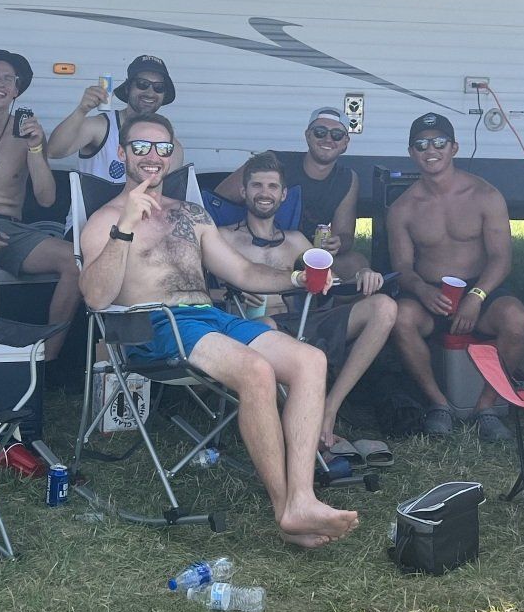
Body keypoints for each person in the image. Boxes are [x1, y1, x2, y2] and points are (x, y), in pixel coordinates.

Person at [77, 116, 359, 548]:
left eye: (163, 149)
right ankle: (286, 507)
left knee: (309, 360)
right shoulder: (105, 220)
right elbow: (96, 298)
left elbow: (243, 271)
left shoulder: (192, 214)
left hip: (210, 316)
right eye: (141, 147)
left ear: (173, 156)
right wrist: (126, 226)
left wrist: (297, 279)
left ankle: (302, 497)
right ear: (122, 154)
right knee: (256, 371)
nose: (152, 157)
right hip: (155, 325)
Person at [217, 153, 396, 455]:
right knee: (266, 328)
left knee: (385, 307)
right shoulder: (223, 239)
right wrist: (226, 297)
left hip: (302, 323)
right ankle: (307, 433)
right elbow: (196, 292)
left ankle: (328, 410)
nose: (264, 193)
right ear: (243, 192)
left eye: (272, 186)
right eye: (257, 185)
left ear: (283, 195)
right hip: (257, 330)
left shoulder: (296, 240)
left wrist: (364, 273)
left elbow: (332, 277)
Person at [386, 113, 524, 443]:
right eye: (421, 144)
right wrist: (421, 290)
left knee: (516, 318)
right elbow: (403, 268)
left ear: (454, 148)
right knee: (400, 318)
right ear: (412, 153)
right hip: (432, 294)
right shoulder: (402, 208)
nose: (431, 150)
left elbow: (501, 258)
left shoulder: (485, 195)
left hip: (482, 287)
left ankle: (487, 407)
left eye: (439, 142)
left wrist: (476, 296)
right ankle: (440, 404)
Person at [0, 48, 80, 358]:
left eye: (8, 79)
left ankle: (47, 359)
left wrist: (37, 148)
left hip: (10, 228)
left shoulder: (26, 133)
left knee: (76, 262)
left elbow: (46, 198)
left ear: (16, 89)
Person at [212, 107, 367, 278]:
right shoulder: (273, 162)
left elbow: (344, 235)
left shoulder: (347, 179)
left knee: (356, 265)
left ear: (345, 143)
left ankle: (325, 304)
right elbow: (216, 202)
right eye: (320, 132)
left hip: (304, 252)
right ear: (308, 135)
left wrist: (337, 243)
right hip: (257, 245)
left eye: (336, 134)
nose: (328, 138)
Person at [47, 53, 182, 184]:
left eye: (159, 87)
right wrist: (81, 110)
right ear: (128, 88)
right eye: (142, 84)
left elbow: (166, 196)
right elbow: (53, 151)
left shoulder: (172, 147)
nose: (150, 92)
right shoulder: (102, 126)